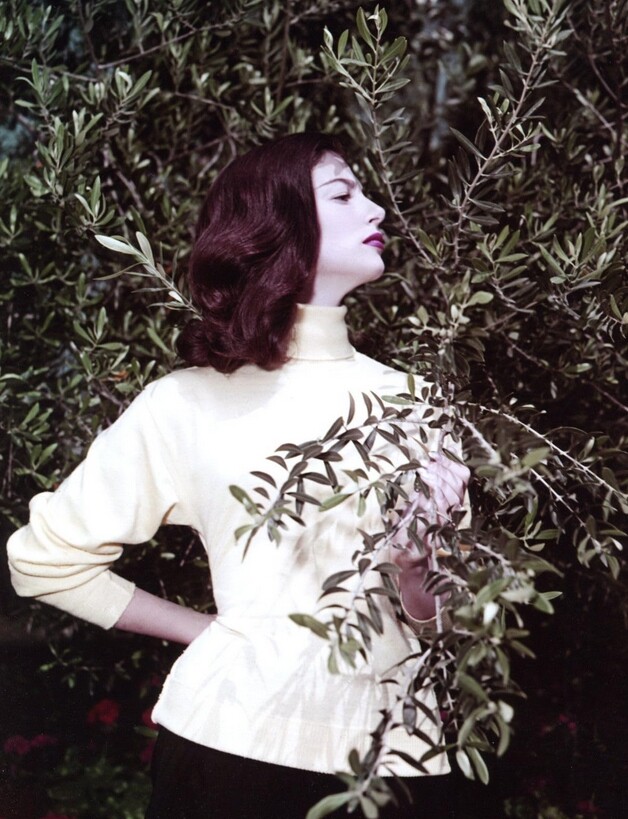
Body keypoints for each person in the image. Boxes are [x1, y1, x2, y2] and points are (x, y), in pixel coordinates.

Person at [7, 133, 469, 818]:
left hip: (400, 761)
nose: (376, 210)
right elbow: (44, 562)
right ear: (277, 223)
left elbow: (446, 626)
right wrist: (218, 635)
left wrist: (415, 570)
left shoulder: (418, 403)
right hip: (231, 751)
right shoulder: (184, 403)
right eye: (343, 193)